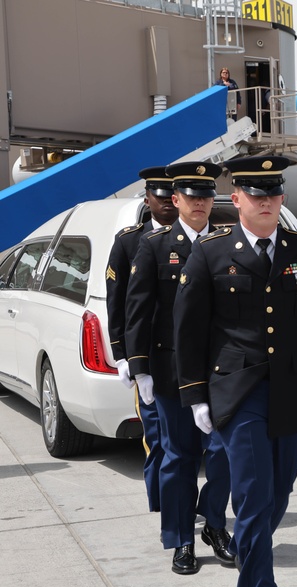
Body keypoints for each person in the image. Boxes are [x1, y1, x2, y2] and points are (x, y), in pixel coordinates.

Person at [174, 155, 297, 587]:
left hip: (290, 388)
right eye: (256, 193)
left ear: (282, 200)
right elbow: (189, 329)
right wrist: (195, 395)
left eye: (273, 193)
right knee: (252, 492)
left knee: (282, 488)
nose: (266, 201)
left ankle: (251, 553)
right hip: (237, 390)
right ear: (238, 199)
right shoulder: (210, 252)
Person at [125, 162, 234, 574]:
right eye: (192, 196)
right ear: (176, 200)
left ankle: (214, 523)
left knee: (225, 454)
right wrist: (140, 368)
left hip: (223, 370)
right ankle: (182, 539)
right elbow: (137, 310)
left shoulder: (229, 243)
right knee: (178, 457)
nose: (200, 203)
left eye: (206, 195)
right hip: (170, 368)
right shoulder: (154, 246)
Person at [106, 166, 177, 513]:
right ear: (148, 199)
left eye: (171, 197)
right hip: (147, 355)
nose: (166, 204)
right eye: (159, 197)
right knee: (157, 437)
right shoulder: (129, 241)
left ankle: (179, 499)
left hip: (187, 355)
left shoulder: (197, 240)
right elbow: (117, 300)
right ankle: (162, 503)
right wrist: (122, 355)